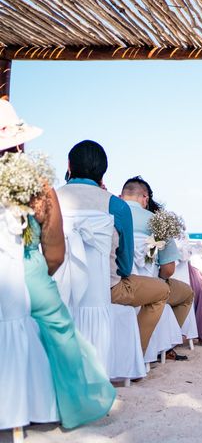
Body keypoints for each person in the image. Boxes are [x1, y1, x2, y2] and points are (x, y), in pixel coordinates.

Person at [0, 103, 115, 429]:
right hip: (28, 273)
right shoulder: (38, 188)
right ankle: (62, 407)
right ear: (20, 145)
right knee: (62, 330)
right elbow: (55, 253)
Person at [56, 140, 170, 356]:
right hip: (106, 290)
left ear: (69, 166)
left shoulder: (50, 199)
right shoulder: (116, 205)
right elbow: (125, 266)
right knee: (162, 291)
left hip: (57, 288)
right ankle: (135, 355)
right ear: (103, 172)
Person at [120, 176, 194, 360]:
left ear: (121, 196)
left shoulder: (111, 216)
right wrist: (156, 276)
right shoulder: (156, 221)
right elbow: (169, 269)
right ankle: (165, 345)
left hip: (115, 285)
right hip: (149, 290)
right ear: (145, 198)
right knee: (187, 294)